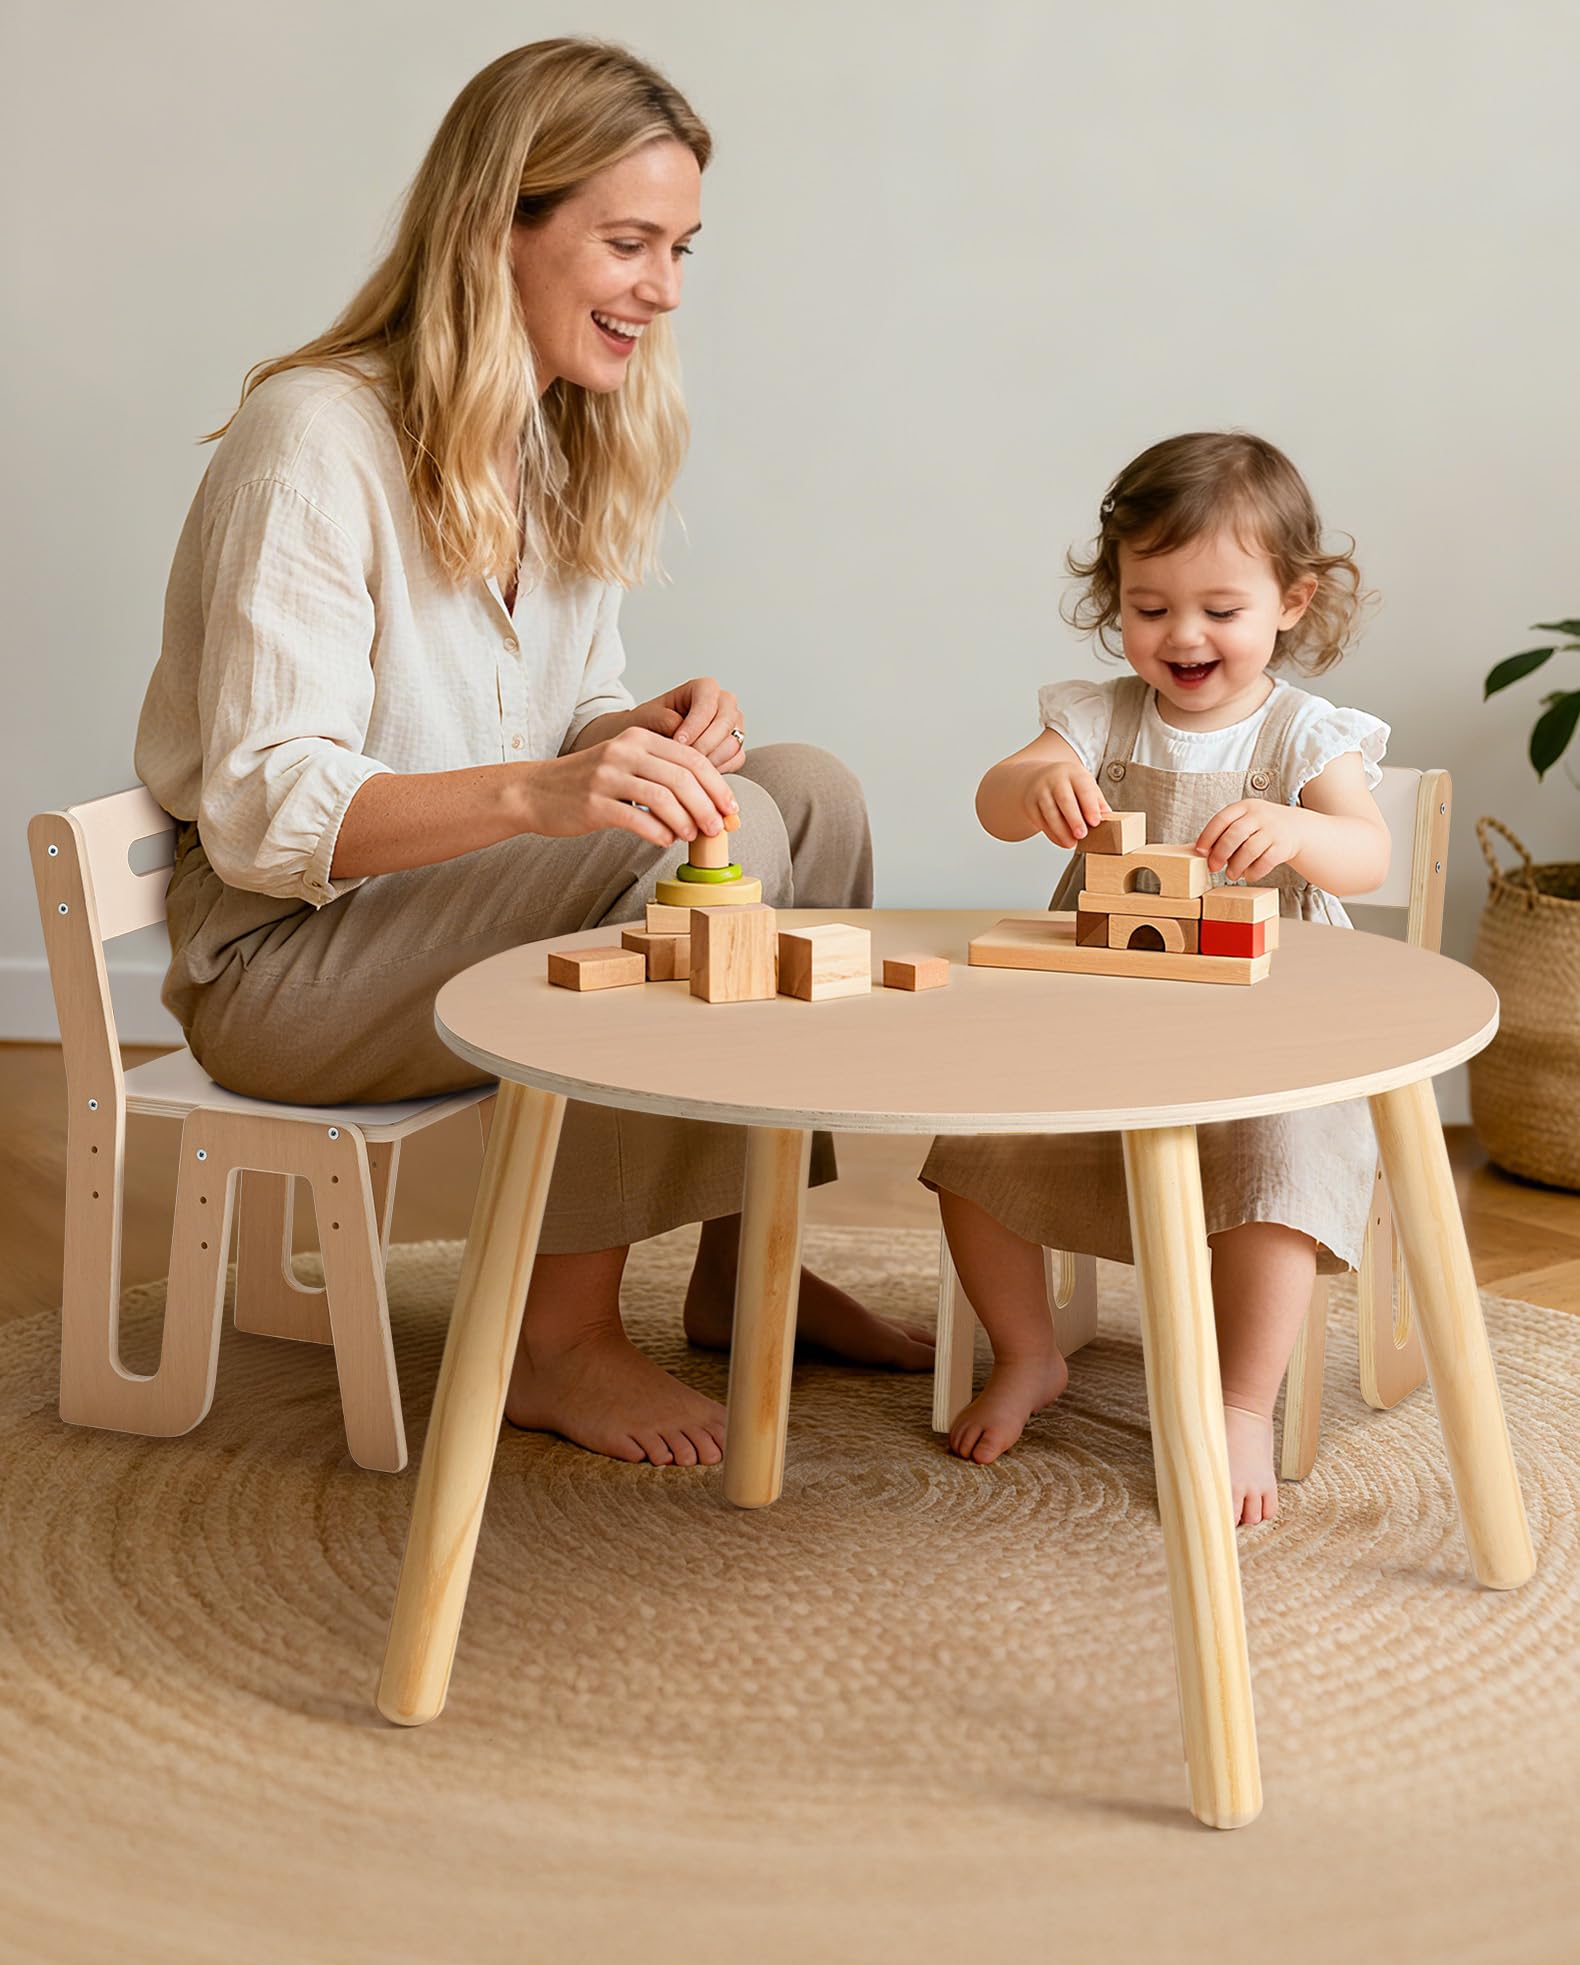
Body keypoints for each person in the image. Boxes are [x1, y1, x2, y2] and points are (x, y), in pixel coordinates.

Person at [135, 37, 932, 1472]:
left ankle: (744, 1265)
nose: (666, 289)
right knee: (699, 834)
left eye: (681, 248)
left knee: (806, 790)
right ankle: (555, 1339)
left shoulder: (551, 444)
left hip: (439, 916)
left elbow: (554, 721)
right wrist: (552, 794)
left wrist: (627, 736)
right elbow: (261, 812)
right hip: (283, 967)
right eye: (628, 243)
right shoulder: (310, 440)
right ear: (496, 223)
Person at [920, 432, 1392, 1524]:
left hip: (1268, 1040)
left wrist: (1293, 827)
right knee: (971, 1148)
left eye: (1218, 610)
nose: (1181, 636)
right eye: (1148, 606)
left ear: (1289, 600)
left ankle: (1235, 1399)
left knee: (1277, 1162)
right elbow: (996, 800)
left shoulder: (1303, 732)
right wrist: (1036, 778)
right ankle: (1027, 1350)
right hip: (1097, 1029)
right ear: (1114, 602)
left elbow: (1363, 853)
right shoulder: (1093, 717)